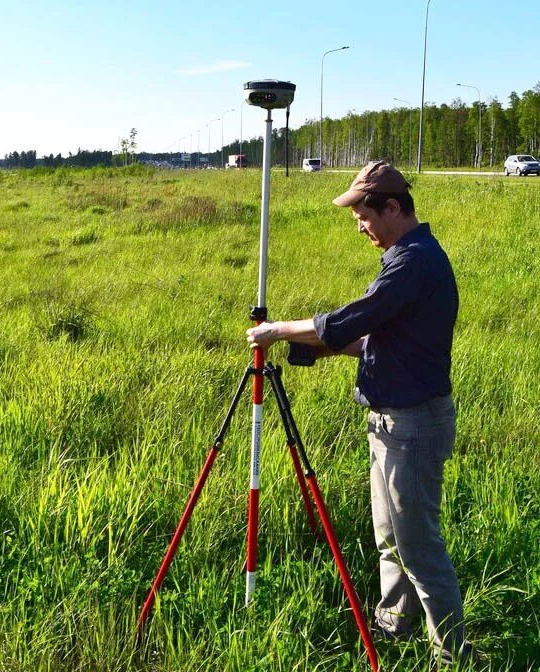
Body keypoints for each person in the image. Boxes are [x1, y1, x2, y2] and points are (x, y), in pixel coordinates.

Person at [245, 161, 472, 667]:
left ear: (393, 208)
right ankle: (395, 626)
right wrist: (319, 351)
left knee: (419, 548)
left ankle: (454, 655)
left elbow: (355, 318)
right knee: (389, 539)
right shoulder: (407, 257)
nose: (359, 226)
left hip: (411, 423)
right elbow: (383, 338)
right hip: (393, 420)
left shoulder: (413, 262)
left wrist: (280, 330)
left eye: (364, 216)